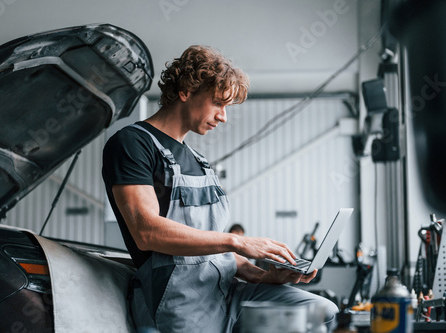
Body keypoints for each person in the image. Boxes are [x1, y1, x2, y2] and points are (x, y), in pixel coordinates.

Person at [102, 45, 338, 332]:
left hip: (227, 293)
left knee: (322, 310)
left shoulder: (199, 161)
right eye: (217, 103)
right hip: (179, 303)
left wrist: (264, 275)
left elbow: (213, 255)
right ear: (186, 91)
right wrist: (238, 241)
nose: (223, 116)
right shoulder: (133, 144)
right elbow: (146, 232)